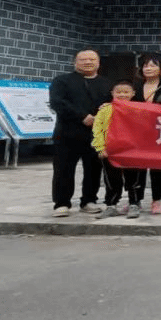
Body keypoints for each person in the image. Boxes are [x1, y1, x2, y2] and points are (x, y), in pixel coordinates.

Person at [49, 49, 112, 217]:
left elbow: (112, 105)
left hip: (95, 135)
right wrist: (82, 117)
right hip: (67, 134)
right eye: (83, 59)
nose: (88, 62)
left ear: (98, 62)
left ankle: (89, 201)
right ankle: (61, 203)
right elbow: (57, 102)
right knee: (63, 170)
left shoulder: (106, 83)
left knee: (93, 170)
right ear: (75, 62)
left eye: (92, 59)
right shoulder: (62, 81)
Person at [91, 80, 140, 219]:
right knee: (112, 180)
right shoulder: (105, 110)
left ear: (133, 93)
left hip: (132, 151)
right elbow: (98, 130)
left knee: (133, 180)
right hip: (110, 151)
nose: (122, 94)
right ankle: (111, 205)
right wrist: (100, 148)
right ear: (112, 93)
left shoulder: (139, 109)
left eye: (126, 92)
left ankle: (134, 204)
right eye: (119, 92)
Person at [132, 53, 161, 214]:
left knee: (157, 168)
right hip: (137, 133)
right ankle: (135, 200)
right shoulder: (134, 87)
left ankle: (156, 201)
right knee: (137, 169)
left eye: (153, 65)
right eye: (145, 65)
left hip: (158, 133)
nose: (148, 68)